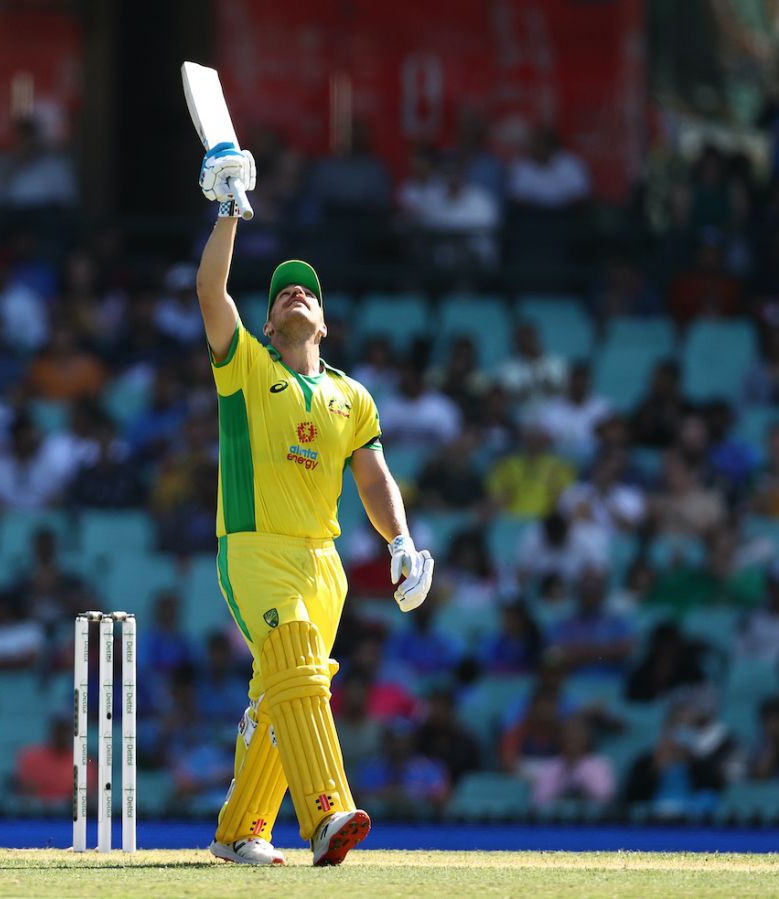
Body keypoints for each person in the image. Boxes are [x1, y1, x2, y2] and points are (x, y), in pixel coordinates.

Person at [194, 142, 435, 866]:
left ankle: (240, 833)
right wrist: (230, 212)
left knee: (286, 691)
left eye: (308, 292)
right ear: (268, 324)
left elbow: (373, 477)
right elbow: (211, 294)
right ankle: (329, 814)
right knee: (297, 661)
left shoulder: (350, 395)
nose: (295, 295)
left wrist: (399, 542)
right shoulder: (245, 366)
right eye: (282, 294)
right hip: (255, 545)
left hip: (322, 560)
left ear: (324, 322)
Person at [0, 116, 79, 208]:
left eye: (27, 140)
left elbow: (68, 199)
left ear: (35, 141)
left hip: (45, 215)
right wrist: (9, 173)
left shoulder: (55, 165)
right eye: (19, 141)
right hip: (9, 215)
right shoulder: (0, 165)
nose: (23, 146)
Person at [15, 709, 95, 802]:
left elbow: (84, 798)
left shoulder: (84, 763)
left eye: (65, 729)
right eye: (58, 729)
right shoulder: (30, 758)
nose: (61, 734)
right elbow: (25, 792)